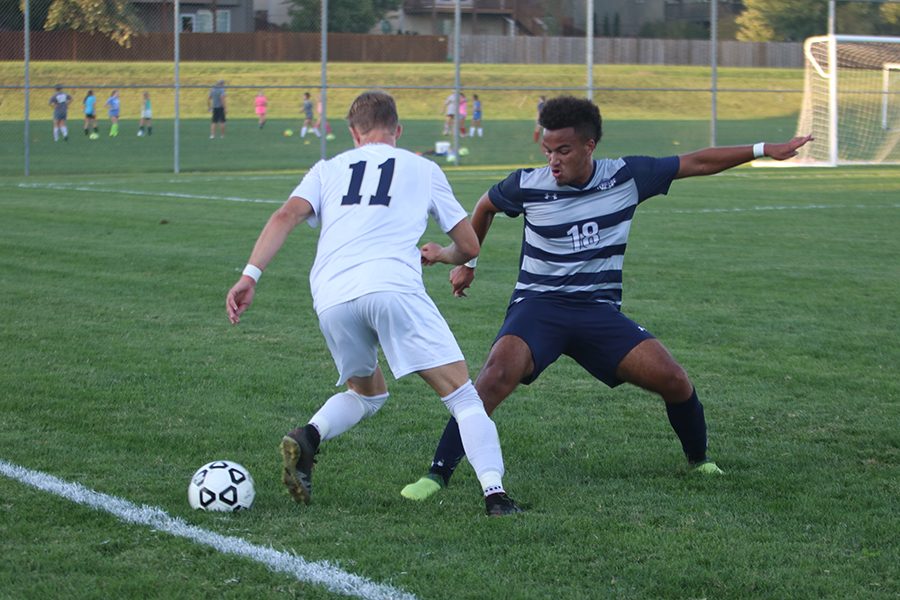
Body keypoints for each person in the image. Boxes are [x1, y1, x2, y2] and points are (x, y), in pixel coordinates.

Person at [400, 95, 814, 502]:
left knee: (674, 381)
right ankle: (437, 475)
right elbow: (486, 205)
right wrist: (468, 263)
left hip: (596, 312)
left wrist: (763, 150)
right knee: (492, 378)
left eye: (563, 150)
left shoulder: (627, 176)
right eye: (547, 150)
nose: (553, 160)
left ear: (589, 146)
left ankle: (699, 460)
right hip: (538, 308)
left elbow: (698, 161)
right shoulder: (527, 184)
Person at [225, 90, 522, 517]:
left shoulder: (327, 169)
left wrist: (248, 276)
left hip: (330, 295)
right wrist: (443, 255)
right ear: (397, 131)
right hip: (391, 286)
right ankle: (496, 495)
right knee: (463, 397)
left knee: (367, 394)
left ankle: (309, 435)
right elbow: (469, 244)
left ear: (353, 133)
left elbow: (283, 216)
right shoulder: (422, 167)